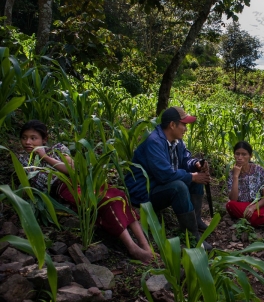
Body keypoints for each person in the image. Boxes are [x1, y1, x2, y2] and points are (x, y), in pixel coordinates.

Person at [18, 120, 154, 264]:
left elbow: (72, 169)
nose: (28, 142)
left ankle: (145, 245)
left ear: (44, 139)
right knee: (106, 203)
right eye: (24, 137)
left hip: (82, 181)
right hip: (63, 188)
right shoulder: (23, 160)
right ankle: (132, 247)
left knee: (119, 196)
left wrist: (45, 156)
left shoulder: (57, 148)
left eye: (33, 138)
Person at [125, 106, 212, 250]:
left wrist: (195, 165)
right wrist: (192, 176)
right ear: (172, 125)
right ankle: (192, 235)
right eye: (183, 124)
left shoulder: (177, 142)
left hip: (158, 186)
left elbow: (185, 160)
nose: (185, 128)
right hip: (143, 194)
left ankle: (195, 221)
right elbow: (165, 175)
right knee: (180, 186)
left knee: (197, 178)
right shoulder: (154, 143)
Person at [226, 141, 264, 226]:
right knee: (230, 205)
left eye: (244, 154)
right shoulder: (232, 173)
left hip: (259, 204)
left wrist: (253, 207)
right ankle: (262, 218)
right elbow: (233, 199)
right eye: (237, 154)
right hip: (243, 206)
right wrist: (235, 176)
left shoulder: (259, 170)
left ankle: (252, 219)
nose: (240, 157)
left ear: (250, 156)